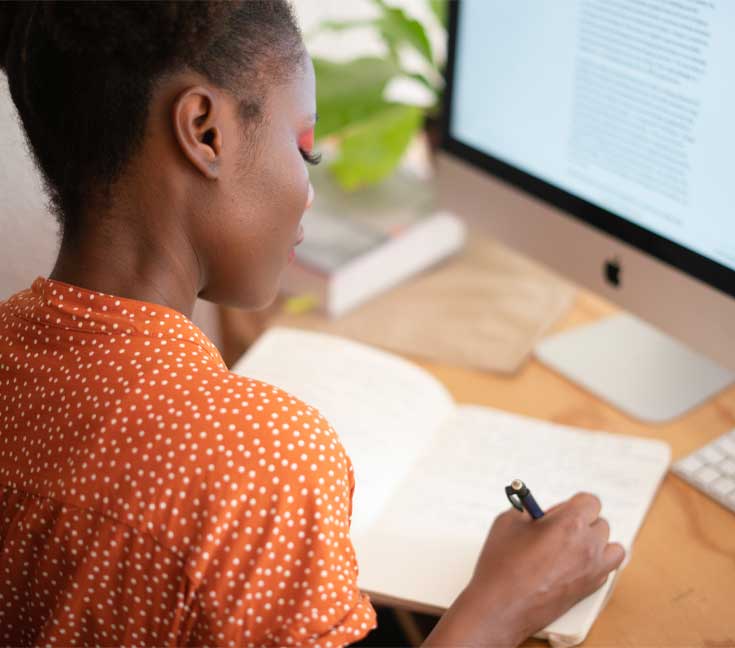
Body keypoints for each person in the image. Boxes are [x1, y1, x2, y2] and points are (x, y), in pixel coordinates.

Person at [0, 2, 625, 646]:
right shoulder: (258, 463)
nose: (309, 191)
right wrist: (501, 605)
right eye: (306, 150)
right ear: (204, 131)